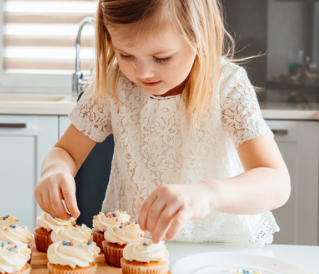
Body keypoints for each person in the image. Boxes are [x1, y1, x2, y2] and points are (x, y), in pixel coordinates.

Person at [34, 0, 290, 246]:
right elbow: (65, 152)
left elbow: (276, 181)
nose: (142, 72)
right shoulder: (114, 85)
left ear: (200, 34)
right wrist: (55, 170)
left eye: (162, 57)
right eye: (125, 55)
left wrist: (209, 194)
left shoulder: (227, 85)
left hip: (221, 247)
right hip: (133, 243)